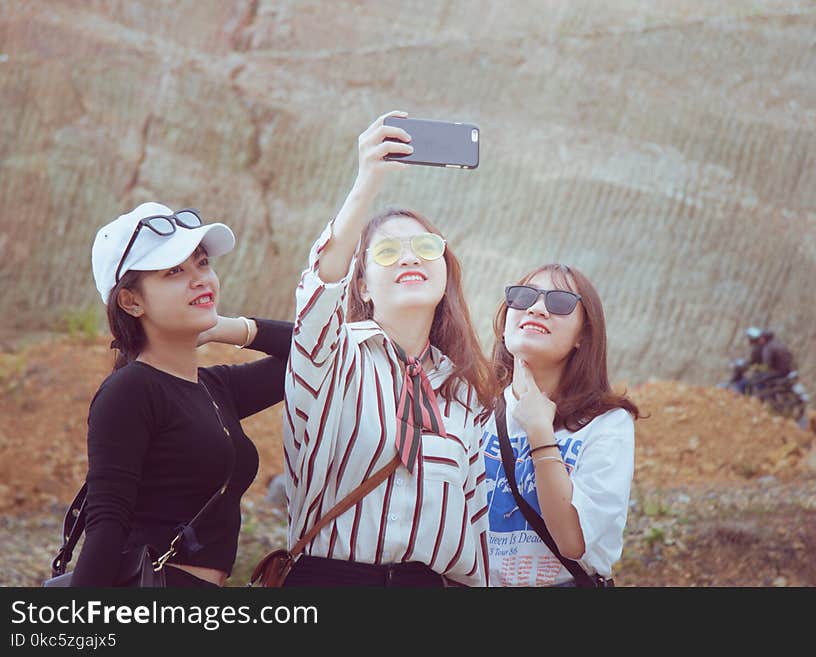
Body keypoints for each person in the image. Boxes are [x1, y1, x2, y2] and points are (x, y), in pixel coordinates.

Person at [281, 111, 497, 587]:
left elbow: (474, 525)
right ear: (361, 285)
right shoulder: (334, 360)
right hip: (331, 581)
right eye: (385, 252)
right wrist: (366, 184)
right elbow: (319, 288)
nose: (408, 256)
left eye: (424, 246)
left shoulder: (462, 393)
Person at [71, 202, 292, 587]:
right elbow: (106, 526)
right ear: (131, 301)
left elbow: (317, 353)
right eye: (174, 271)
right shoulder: (130, 391)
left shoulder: (215, 388)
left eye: (202, 263)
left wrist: (230, 328)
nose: (200, 279)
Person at [482, 264, 641, 587]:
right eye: (524, 297)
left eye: (560, 302)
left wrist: (540, 431)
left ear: (583, 334)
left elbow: (571, 542)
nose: (537, 308)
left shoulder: (606, 423)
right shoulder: (470, 406)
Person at [739, 326, 795, 392]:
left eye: (761, 338)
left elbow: (766, 365)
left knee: (755, 380)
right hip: (788, 371)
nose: (760, 339)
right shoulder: (778, 343)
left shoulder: (768, 348)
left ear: (764, 338)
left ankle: (759, 397)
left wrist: (756, 368)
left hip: (778, 372)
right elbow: (790, 356)